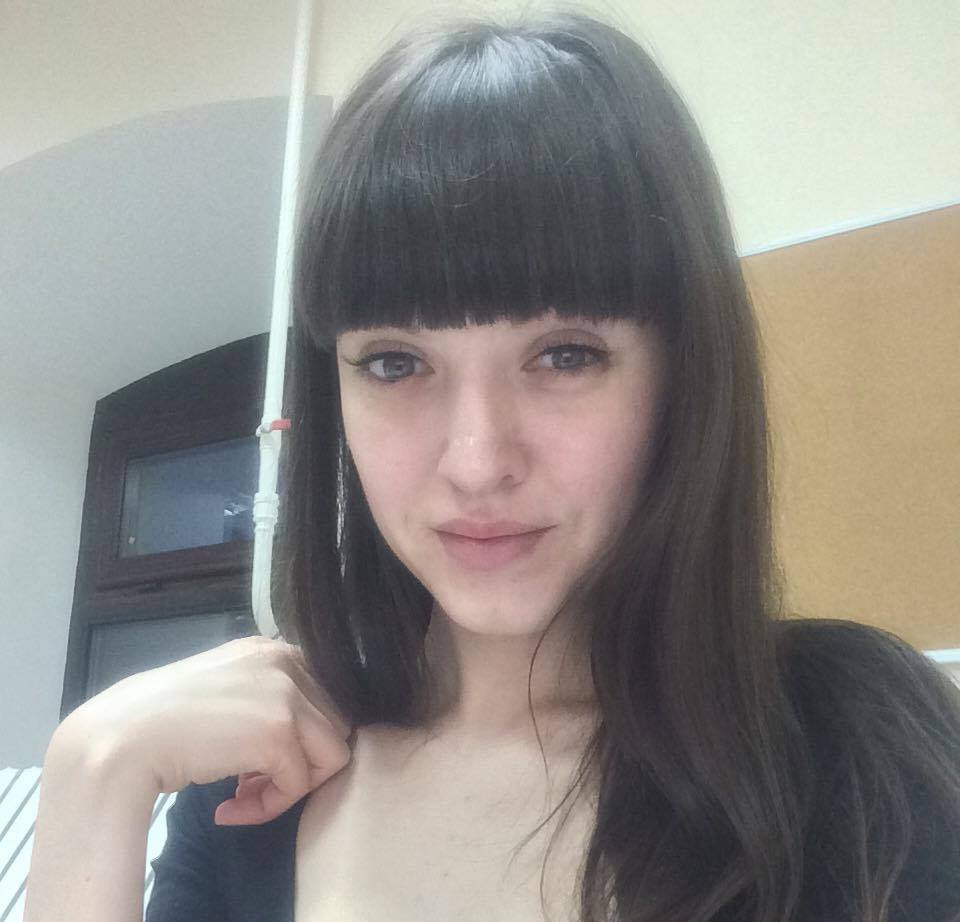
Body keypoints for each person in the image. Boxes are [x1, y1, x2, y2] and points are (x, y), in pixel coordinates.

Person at [25, 10, 960, 922]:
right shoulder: (257, 787)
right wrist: (93, 775)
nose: (476, 464)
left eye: (565, 355)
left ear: (680, 374)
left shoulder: (852, 746)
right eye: (395, 364)